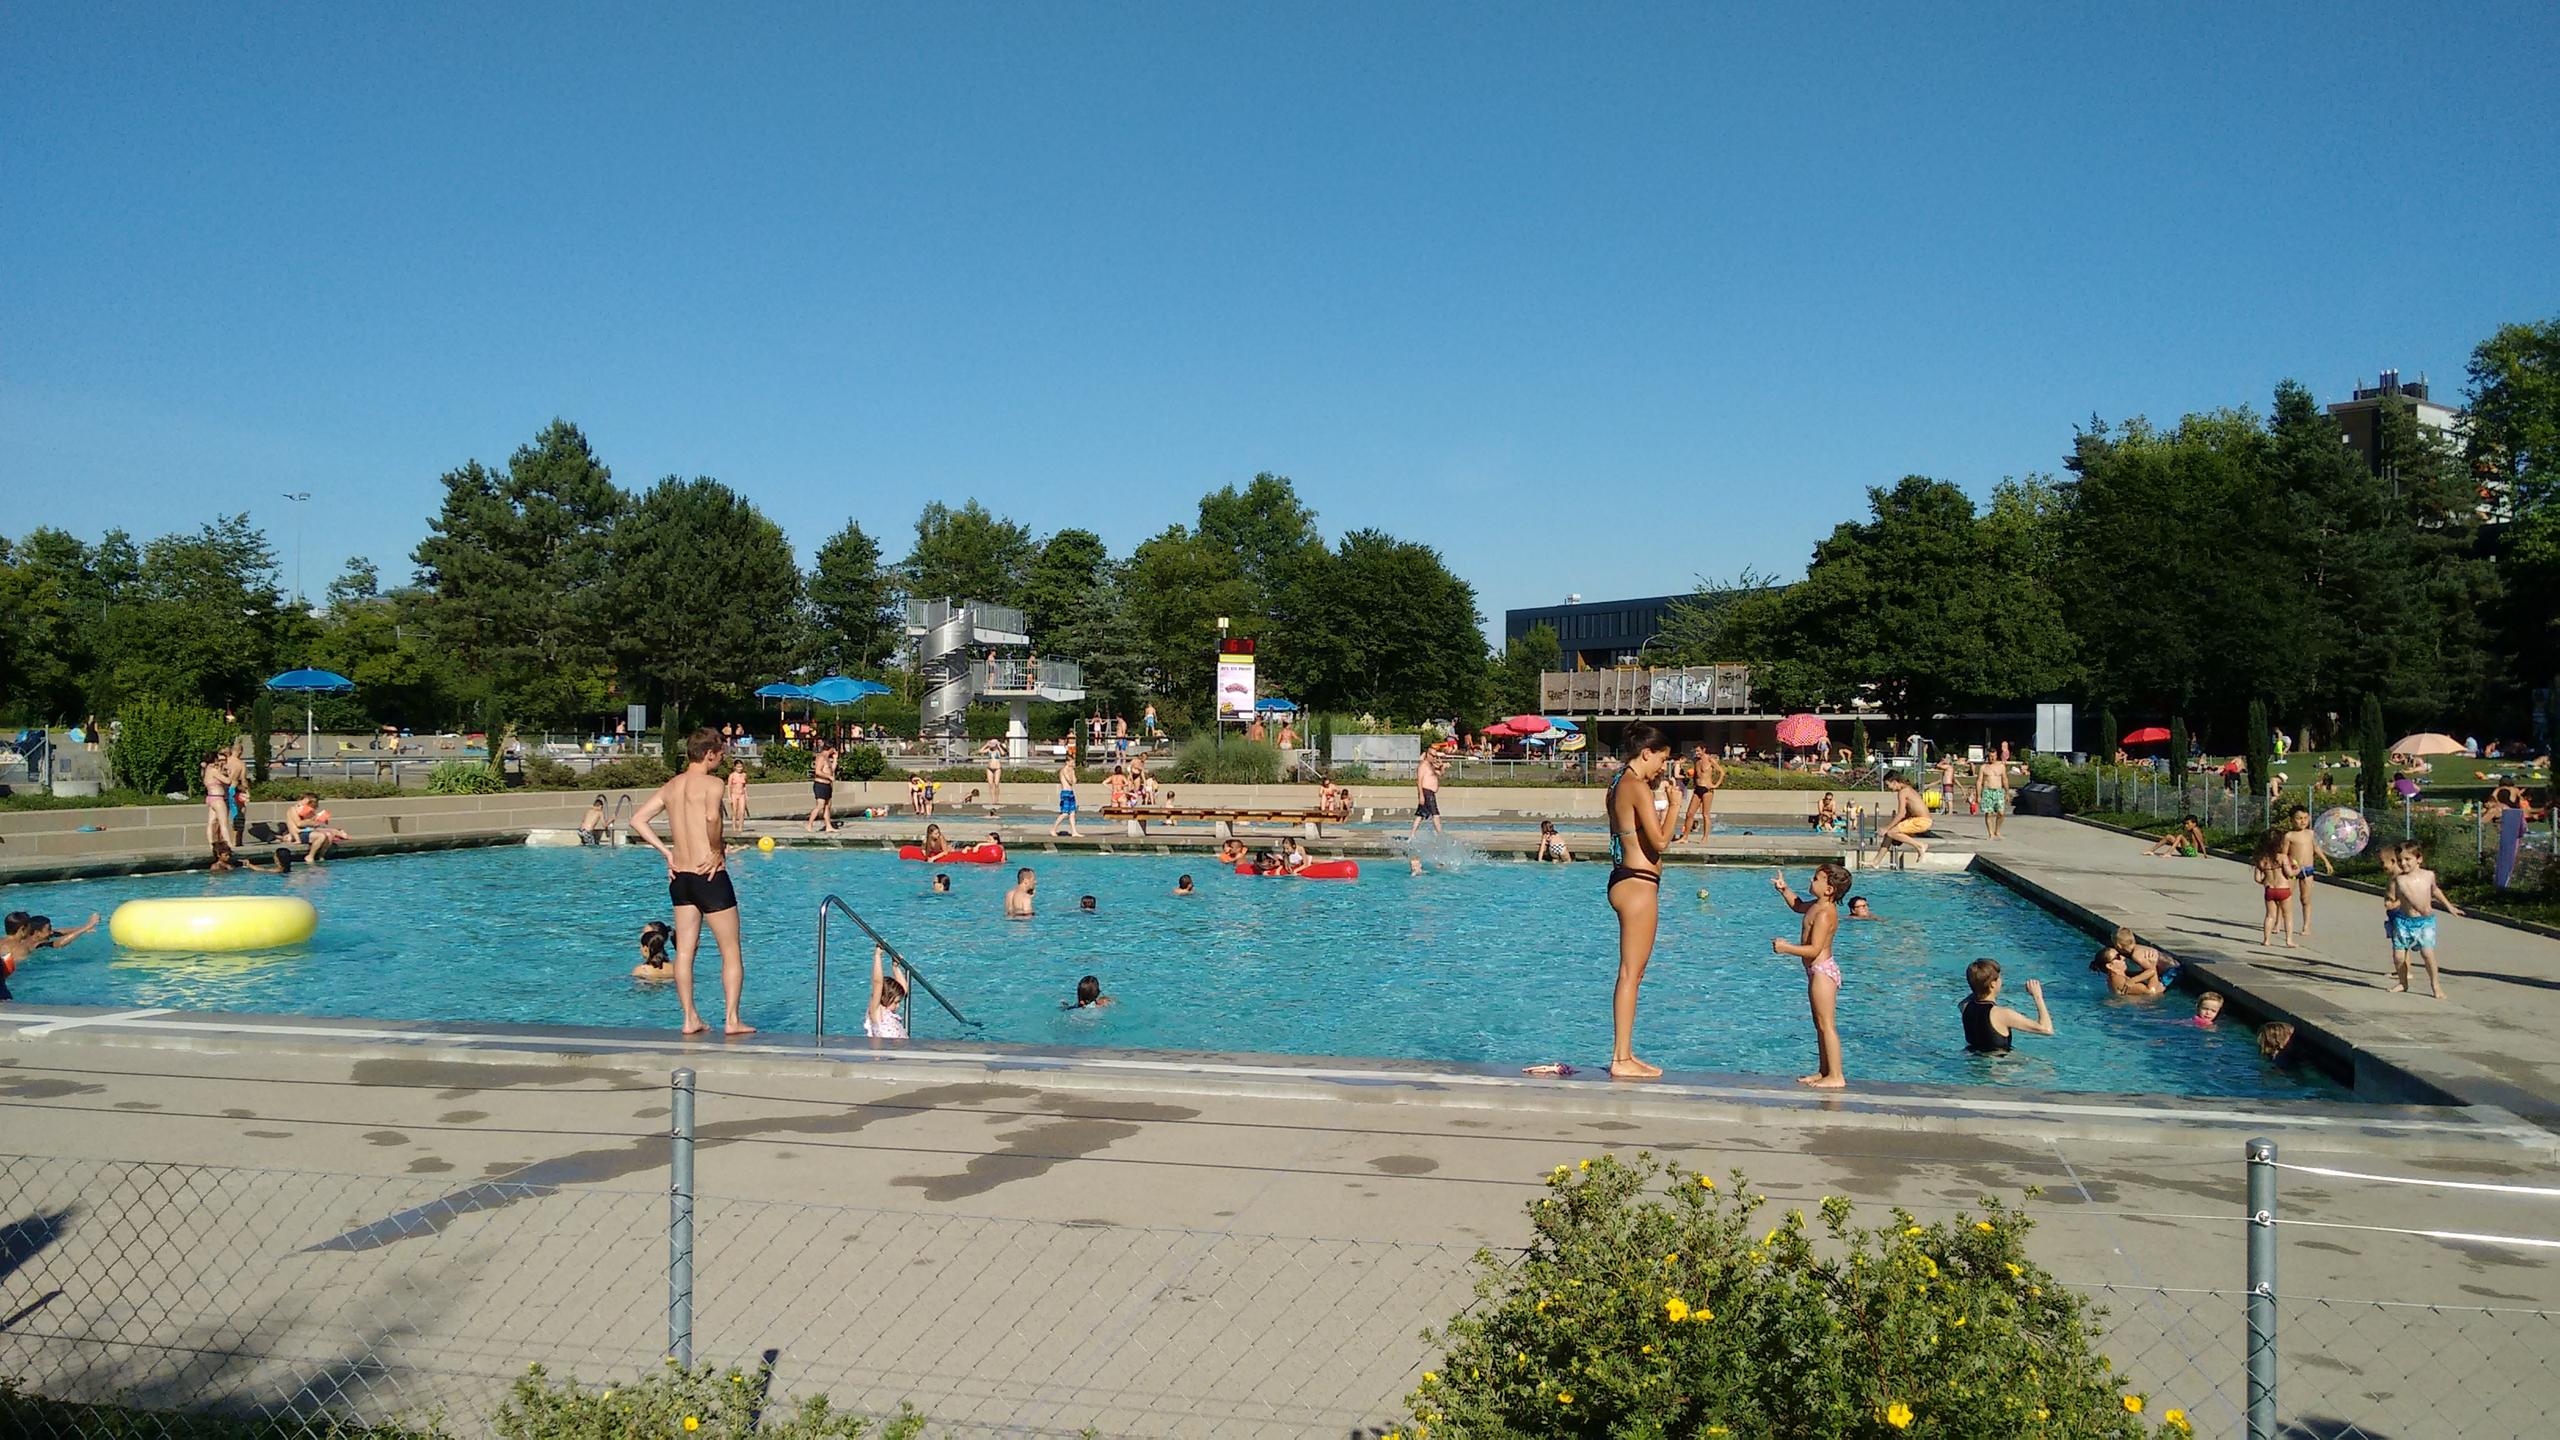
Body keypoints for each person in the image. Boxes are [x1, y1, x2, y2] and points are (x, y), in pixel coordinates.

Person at [629, 728, 754, 1036]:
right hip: (708, 874)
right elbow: (713, 818)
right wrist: (715, 850)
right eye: (721, 753)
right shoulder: (713, 783)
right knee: (730, 950)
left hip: (680, 877)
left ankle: (689, 1019)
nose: (723, 758)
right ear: (709, 753)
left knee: (685, 951)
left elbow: (637, 820)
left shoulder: (671, 786)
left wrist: (666, 853)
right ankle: (732, 1020)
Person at [1605, 724, 1675, 1080]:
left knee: (1634, 973)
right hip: (1638, 885)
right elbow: (1661, 842)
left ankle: (1626, 1053)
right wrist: (1676, 805)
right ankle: (1621, 1058)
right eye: (1661, 759)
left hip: (1625, 879)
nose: (1662, 767)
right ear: (1646, 752)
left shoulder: (1617, 784)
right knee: (1631, 974)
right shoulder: (1636, 786)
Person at [1770, 862, 1853, 1087]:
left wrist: (1786, 948)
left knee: (1827, 1024)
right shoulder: (1817, 905)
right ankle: (1824, 1070)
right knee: (1820, 1024)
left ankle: (1836, 1076)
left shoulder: (1826, 913)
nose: (1811, 881)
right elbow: (1797, 907)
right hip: (1815, 971)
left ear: (1829, 889)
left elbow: (1815, 949)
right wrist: (1784, 889)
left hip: (1823, 972)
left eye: (1816, 879)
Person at [2385, 840, 2461, 999]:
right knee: (2399, 956)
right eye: (2400, 860)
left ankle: (2436, 985)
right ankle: (2403, 982)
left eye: (2407, 859)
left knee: (2427, 953)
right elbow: (2406, 897)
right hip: (2403, 921)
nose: (2403, 863)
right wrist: (2392, 903)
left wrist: (2449, 906)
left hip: (2424, 922)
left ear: (2419, 859)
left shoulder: (2429, 875)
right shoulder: (2400, 880)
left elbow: (2435, 890)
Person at [1959, 958, 2054, 1054]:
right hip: (1999, 1066)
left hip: (1973, 1063)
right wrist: (2037, 996)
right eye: (1999, 978)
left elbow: (1974, 993)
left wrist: (1978, 985)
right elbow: (2046, 1029)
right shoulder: (2002, 1015)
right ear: (1993, 984)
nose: (2001, 980)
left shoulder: (1965, 1007)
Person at [2, 911, 100, 1000]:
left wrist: (82, 928)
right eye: (29, 927)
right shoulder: (22, 947)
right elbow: (59, 943)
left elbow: (56, 932)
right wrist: (87, 926)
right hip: (17, 979)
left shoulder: (3, 941)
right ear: (23, 929)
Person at [2275, 805, 2332, 937]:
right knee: (2285, 897)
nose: (2303, 821)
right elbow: (2284, 853)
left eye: (2305, 818)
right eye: (2299, 818)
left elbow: (2316, 848)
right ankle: (2278, 922)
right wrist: (2282, 866)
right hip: (2292, 870)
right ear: (2292, 820)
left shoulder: (2311, 834)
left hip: (2308, 870)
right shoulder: (2289, 836)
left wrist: (2326, 861)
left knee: (2305, 899)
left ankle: (2306, 925)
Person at [2252, 828, 2297, 949]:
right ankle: (2289, 940)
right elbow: (2290, 873)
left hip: (2270, 890)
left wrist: (2265, 881)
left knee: (2270, 915)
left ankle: (2266, 940)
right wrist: (2297, 869)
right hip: (2283, 889)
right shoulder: (2283, 858)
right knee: (2288, 915)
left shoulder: (2261, 859)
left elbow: (2257, 878)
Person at [1673, 744, 1724, 842]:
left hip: (1707, 789)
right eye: (1695, 751)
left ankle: (1705, 837)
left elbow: (1722, 772)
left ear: (1704, 750)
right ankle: (1685, 837)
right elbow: (1696, 774)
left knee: (1705, 814)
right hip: (1698, 789)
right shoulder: (1695, 761)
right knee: (1690, 813)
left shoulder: (1710, 760)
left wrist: (1715, 785)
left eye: (1698, 751)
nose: (1696, 753)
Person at [1878, 774, 1932, 863]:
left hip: (1921, 821)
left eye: (1888, 785)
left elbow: (1901, 813)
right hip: (1920, 820)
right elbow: (1908, 812)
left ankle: (1920, 845)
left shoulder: (1903, 792)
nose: (1888, 788)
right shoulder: (1909, 789)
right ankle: (1876, 862)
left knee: (1890, 832)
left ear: (1894, 782)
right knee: (1889, 834)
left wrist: (1886, 828)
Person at [864, 944, 909, 1039]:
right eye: (896, 1002)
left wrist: (895, 968)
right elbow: (877, 983)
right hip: (885, 1052)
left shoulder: (889, 1011)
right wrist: (878, 956)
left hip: (899, 1051)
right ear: (885, 997)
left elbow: (904, 990)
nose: (898, 1006)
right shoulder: (876, 1012)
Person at [289, 794, 349, 862]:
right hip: (298, 833)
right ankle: (310, 856)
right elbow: (299, 823)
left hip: (308, 831)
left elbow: (312, 823)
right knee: (321, 836)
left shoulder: (308, 810)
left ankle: (321, 856)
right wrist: (314, 821)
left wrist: (319, 819)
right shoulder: (293, 810)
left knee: (329, 835)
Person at [1974, 752, 2018, 841]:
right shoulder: (1984, 767)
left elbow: (2005, 779)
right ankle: (1991, 833)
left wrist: (2007, 792)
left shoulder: (2001, 767)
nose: (1992, 758)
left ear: (1996, 756)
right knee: (1989, 813)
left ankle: (1997, 831)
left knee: (2001, 813)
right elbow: (1979, 781)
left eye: (1993, 756)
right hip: (1987, 791)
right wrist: (1978, 795)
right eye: (1990, 756)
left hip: (1998, 791)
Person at [201, 747, 238, 852]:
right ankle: (229, 844)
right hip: (218, 798)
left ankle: (211, 843)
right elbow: (227, 781)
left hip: (210, 798)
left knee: (211, 822)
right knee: (223, 823)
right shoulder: (213, 771)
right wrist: (230, 773)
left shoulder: (206, 770)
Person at [1407, 750, 1446, 840]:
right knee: (1435, 814)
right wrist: (1421, 795)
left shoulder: (1431, 766)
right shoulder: (1423, 766)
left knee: (1420, 815)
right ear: (1427, 755)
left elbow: (1440, 774)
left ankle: (1412, 834)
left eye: (1435, 756)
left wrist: (1442, 766)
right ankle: (1440, 835)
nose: (1434, 758)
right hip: (1426, 792)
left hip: (1430, 792)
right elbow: (1419, 781)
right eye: (1432, 755)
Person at [804, 742, 838, 834]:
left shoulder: (828, 758)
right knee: (820, 805)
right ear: (831, 748)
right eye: (834, 749)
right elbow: (818, 771)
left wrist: (835, 759)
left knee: (827, 806)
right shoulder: (821, 757)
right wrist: (829, 777)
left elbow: (832, 770)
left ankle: (828, 826)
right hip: (820, 784)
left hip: (828, 785)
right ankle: (809, 824)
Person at [209, 840, 294, 874]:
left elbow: (265, 870)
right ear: (218, 855)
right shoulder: (216, 866)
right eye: (226, 855)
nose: (229, 857)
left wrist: (250, 865)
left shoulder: (279, 870)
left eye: (229, 854)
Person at [1051, 756, 1080, 838]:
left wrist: (1073, 772)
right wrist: (1071, 774)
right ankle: (1053, 829)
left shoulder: (1072, 770)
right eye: (1072, 762)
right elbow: (1069, 781)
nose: (1073, 764)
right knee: (1065, 813)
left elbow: (1074, 781)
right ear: (1067, 762)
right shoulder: (1064, 770)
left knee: (1072, 813)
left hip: (1071, 792)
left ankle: (1074, 832)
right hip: (1065, 793)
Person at [725, 760, 750, 830]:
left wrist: (746, 795)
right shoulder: (732, 775)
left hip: (742, 794)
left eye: (741, 767)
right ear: (735, 767)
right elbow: (729, 786)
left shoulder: (744, 775)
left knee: (741, 812)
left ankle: (740, 827)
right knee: (734, 812)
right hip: (734, 795)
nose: (740, 768)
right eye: (738, 767)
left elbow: (744, 786)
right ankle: (734, 827)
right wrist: (729, 797)